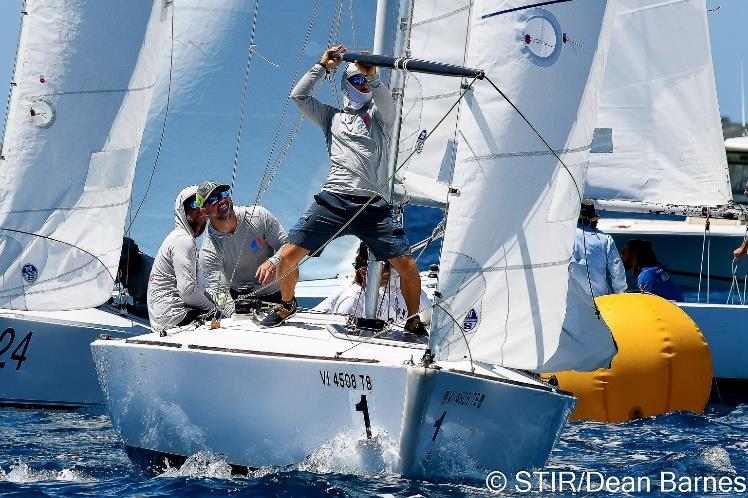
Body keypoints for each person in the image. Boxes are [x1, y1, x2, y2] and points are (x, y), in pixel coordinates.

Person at [262, 44, 428, 336]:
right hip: (333, 200)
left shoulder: (381, 118)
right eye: (357, 80)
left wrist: (373, 75)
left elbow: (387, 105)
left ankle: (413, 319)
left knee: (408, 266)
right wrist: (323, 67)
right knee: (288, 256)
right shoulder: (331, 117)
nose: (363, 84)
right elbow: (298, 96)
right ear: (346, 84)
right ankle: (287, 304)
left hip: (372, 206)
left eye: (366, 81)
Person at [196, 180, 288, 308]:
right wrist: (232, 315)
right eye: (212, 200)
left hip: (279, 294)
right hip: (240, 302)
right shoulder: (208, 252)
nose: (221, 200)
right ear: (204, 212)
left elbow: (287, 246)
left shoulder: (259, 216)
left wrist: (273, 262)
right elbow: (221, 293)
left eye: (223, 195)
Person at [147, 185, 215, 333]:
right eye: (195, 203)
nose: (200, 208)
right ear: (182, 211)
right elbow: (188, 292)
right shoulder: (183, 240)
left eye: (203, 203)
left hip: (166, 319)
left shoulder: (178, 238)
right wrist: (215, 310)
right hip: (176, 318)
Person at [315, 243, 432, 324]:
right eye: (385, 270)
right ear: (363, 272)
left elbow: (427, 313)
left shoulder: (393, 286)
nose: (392, 273)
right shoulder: (352, 300)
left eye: (394, 268)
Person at [569, 200, 627, 297]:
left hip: (573, 302)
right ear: (593, 219)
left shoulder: (566, 236)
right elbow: (616, 269)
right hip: (600, 300)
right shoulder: (605, 239)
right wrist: (621, 293)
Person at [116, 236, 154, 319]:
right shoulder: (119, 267)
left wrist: (135, 310)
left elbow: (158, 304)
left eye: (124, 263)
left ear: (135, 254)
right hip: (138, 309)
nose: (121, 268)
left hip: (152, 312)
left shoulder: (151, 269)